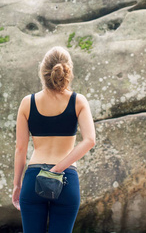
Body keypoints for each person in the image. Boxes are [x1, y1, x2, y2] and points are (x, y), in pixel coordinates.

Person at [12, 46, 96, 233]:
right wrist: (57, 169)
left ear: (43, 72)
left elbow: (20, 148)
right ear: (68, 71)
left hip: (34, 178)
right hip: (66, 179)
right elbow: (90, 140)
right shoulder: (78, 101)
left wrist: (17, 185)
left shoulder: (28, 102)